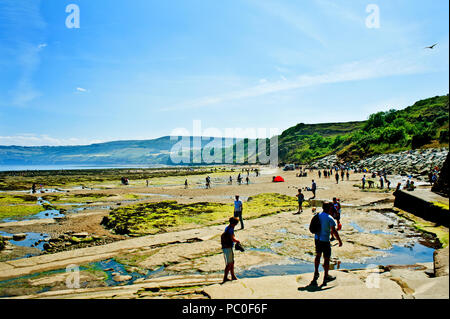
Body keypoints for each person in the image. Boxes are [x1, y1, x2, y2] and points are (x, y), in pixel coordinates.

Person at [312, 202, 343, 286]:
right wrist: (339, 241)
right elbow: (334, 231)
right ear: (329, 208)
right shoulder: (330, 218)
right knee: (326, 258)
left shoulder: (318, 215)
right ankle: (326, 276)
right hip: (325, 240)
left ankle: (316, 272)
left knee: (317, 256)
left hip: (317, 239)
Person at [221, 217, 240, 283]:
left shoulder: (227, 227)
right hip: (228, 247)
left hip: (226, 247)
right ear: (234, 223)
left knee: (232, 262)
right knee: (229, 263)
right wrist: (238, 241)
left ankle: (233, 275)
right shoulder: (231, 229)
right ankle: (225, 278)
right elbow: (233, 239)